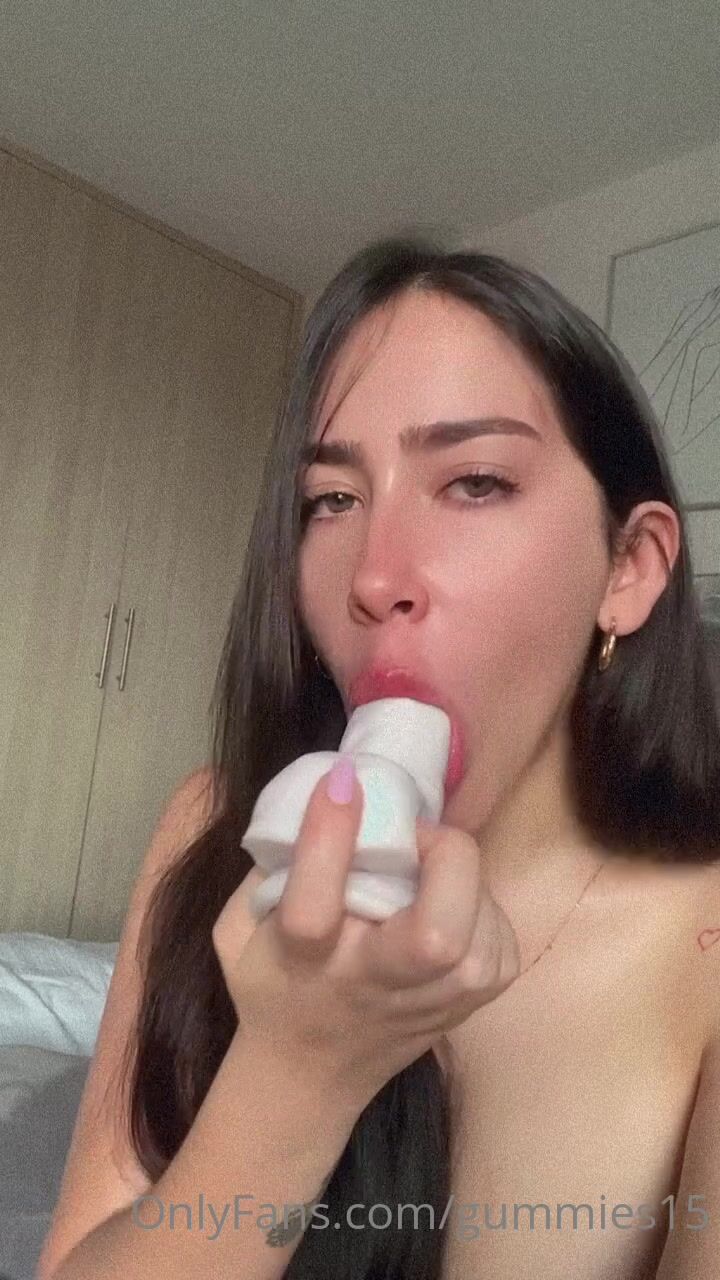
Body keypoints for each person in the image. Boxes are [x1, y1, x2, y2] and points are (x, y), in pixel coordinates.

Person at [38, 233, 720, 1280]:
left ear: (628, 569)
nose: (373, 575)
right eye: (332, 500)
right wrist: (296, 1075)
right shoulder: (211, 826)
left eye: (476, 481)